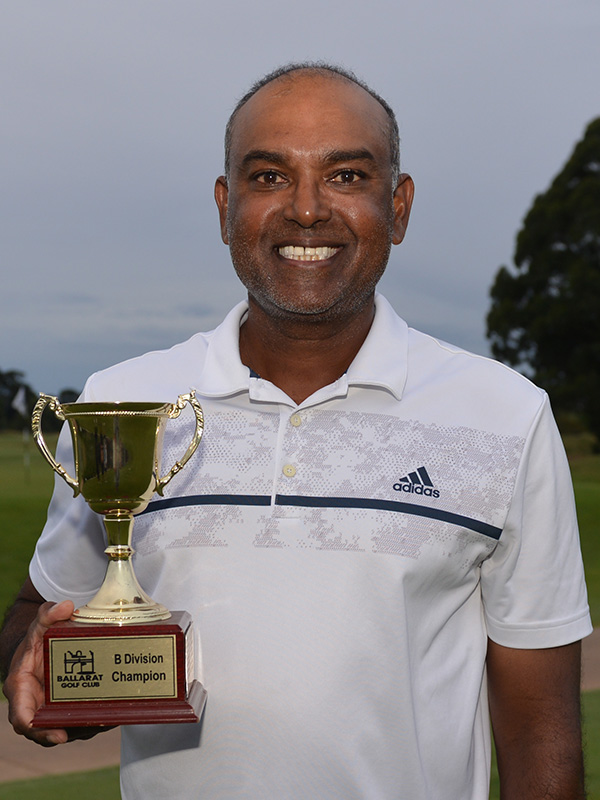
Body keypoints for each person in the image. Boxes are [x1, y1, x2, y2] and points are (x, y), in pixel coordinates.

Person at [0, 62, 592, 799]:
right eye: (269, 177)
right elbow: (36, 609)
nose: (307, 210)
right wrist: (40, 666)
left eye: (346, 176)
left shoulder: (504, 414)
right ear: (226, 207)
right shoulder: (125, 403)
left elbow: (541, 737)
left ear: (399, 207)